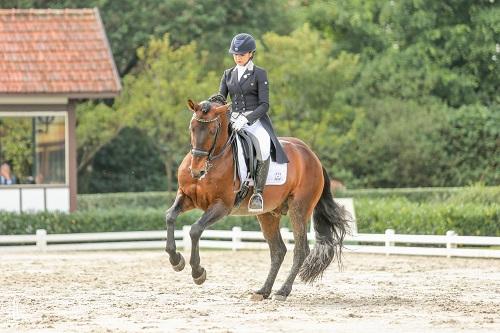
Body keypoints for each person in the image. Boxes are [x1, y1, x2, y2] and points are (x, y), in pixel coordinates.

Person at [219, 33, 288, 212]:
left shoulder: (259, 73)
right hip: (233, 119)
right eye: (235, 54)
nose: (238, 57)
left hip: (255, 120)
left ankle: (257, 193)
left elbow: (264, 105)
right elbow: (220, 99)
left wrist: (247, 119)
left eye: (242, 54)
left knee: (263, 145)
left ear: (251, 54)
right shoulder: (228, 74)